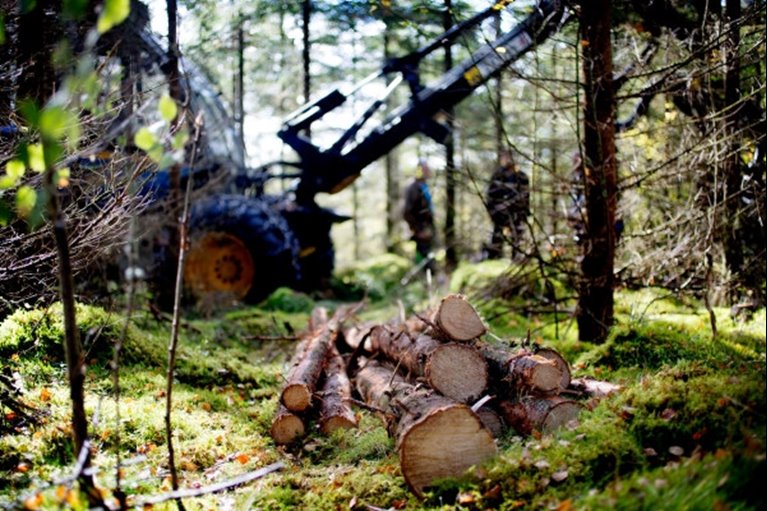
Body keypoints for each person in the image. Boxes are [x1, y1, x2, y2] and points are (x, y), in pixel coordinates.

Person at [485, 149, 530, 260]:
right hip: (500, 214)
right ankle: (494, 258)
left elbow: (526, 197)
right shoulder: (497, 176)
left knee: (517, 238)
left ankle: (516, 259)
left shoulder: (522, 177)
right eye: (505, 157)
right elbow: (490, 196)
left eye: (509, 157)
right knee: (497, 236)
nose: (507, 160)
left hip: (516, 213)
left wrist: (523, 213)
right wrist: (494, 211)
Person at [403, 159, 437, 274]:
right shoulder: (413, 188)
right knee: (426, 260)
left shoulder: (424, 186)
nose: (428, 171)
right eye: (425, 169)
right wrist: (418, 231)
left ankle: (425, 282)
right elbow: (407, 212)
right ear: (419, 170)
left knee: (427, 257)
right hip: (421, 231)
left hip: (427, 229)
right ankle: (425, 283)